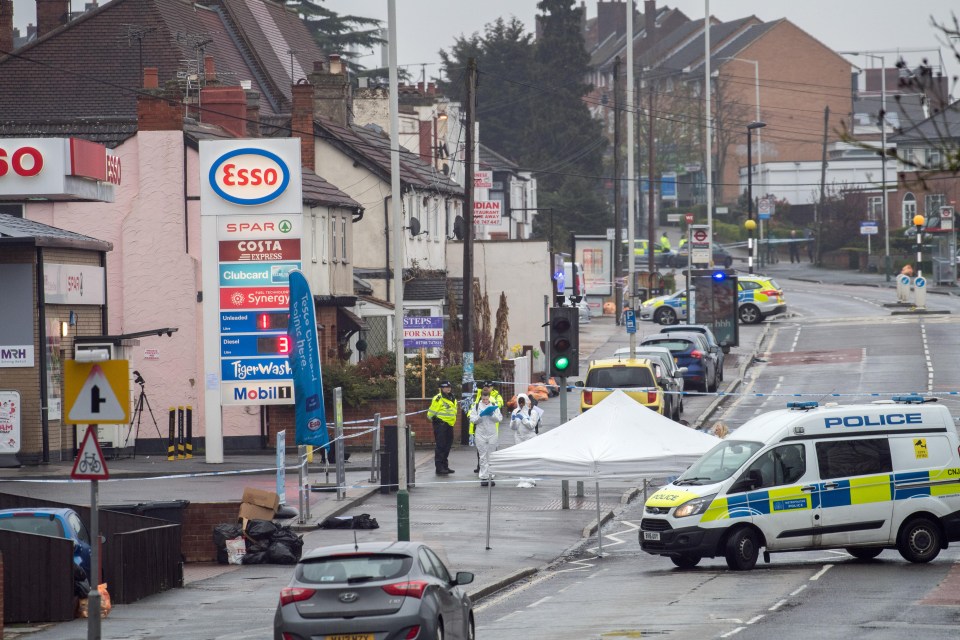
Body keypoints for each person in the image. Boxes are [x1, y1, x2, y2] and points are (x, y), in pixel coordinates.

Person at [469, 388, 502, 487]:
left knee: (491, 455)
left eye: (487, 399)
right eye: (483, 399)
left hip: (492, 432)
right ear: (481, 398)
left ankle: (490, 475)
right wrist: (480, 416)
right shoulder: (476, 406)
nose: (485, 401)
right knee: (482, 455)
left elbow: (499, 419)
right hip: (480, 433)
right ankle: (483, 476)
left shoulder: (494, 406)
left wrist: (492, 415)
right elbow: (472, 419)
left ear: (489, 398)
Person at [427, 380, 457, 475]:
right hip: (441, 425)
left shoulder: (452, 397)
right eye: (445, 387)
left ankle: (445, 466)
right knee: (441, 446)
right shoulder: (438, 398)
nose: (448, 388)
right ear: (441, 388)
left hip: (450, 425)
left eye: (449, 387)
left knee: (447, 446)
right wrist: (436, 420)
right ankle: (439, 468)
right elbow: (430, 414)